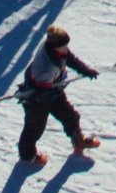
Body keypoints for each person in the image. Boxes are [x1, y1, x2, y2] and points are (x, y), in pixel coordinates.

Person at [17, 26, 101, 167]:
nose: (66, 48)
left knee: (71, 116)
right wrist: (57, 85)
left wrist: (85, 70)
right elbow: (42, 88)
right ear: (54, 46)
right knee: (34, 128)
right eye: (63, 46)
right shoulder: (45, 67)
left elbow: (70, 58)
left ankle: (78, 140)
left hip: (53, 91)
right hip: (38, 99)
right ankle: (28, 155)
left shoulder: (57, 49)